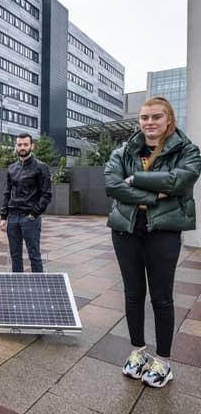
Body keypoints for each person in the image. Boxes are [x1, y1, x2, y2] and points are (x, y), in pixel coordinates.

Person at [104, 96, 200, 388]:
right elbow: (112, 185)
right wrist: (151, 193)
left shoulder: (188, 151)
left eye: (156, 117)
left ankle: (163, 361)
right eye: (145, 118)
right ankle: (137, 352)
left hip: (163, 232)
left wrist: (134, 180)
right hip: (126, 230)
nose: (149, 123)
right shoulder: (123, 151)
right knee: (133, 294)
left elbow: (179, 182)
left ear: (168, 119)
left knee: (161, 298)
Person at [0, 133, 52, 272]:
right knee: (15, 255)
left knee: (34, 255)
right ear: (16, 146)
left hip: (29, 218)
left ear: (32, 146)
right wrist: (4, 217)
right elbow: (7, 192)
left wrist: (34, 214)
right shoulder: (11, 168)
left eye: (25, 144)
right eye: (19, 144)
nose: (22, 147)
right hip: (13, 218)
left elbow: (46, 194)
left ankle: (38, 288)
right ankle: (18, 287)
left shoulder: (41, 167)